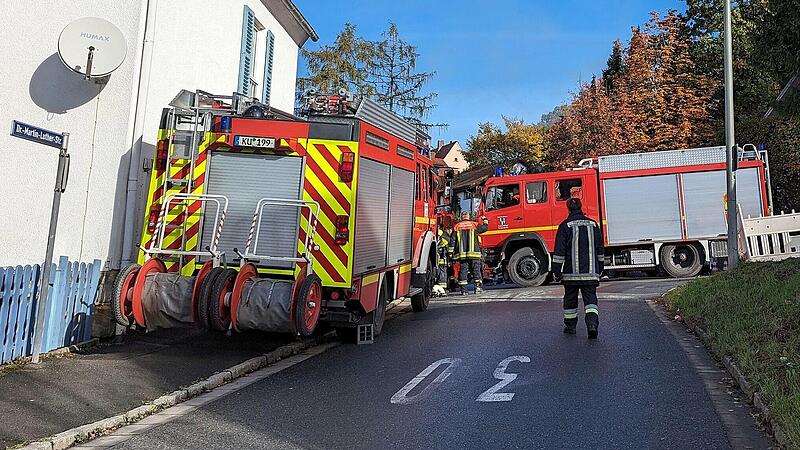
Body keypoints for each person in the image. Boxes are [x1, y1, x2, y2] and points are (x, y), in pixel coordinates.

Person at [552, 198, 604, 339]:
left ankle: (570, 327)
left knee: (570, 300)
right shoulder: (593, 225)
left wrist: (556, 271)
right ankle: (592, 325)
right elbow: (600, 249)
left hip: (570, 275)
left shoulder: (565, 226)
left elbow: (559, 252)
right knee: (591, 301)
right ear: (581, 207)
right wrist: (600, 268)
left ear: (568, 209)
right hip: (590, 272)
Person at [451, 211, 488, 295]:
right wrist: (485, 220)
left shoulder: (457, 226)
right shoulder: (474, 224)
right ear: (469, 216)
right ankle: (477, 288)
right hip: (474, 253)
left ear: (461, 217)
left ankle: (464, 290)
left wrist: (450, 252)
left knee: (463, 271)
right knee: (476, 270)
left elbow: (452, 241)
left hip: (462, 255)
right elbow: (485, 228)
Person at [436, 225, 454, 289]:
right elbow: (448, 247)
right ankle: (443, 287)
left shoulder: (442, 236)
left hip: (439, 259)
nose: (450, 231)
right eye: (449, 229)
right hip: (443, 259)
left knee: (442, 272)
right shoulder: (446, 237)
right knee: (443, 272)